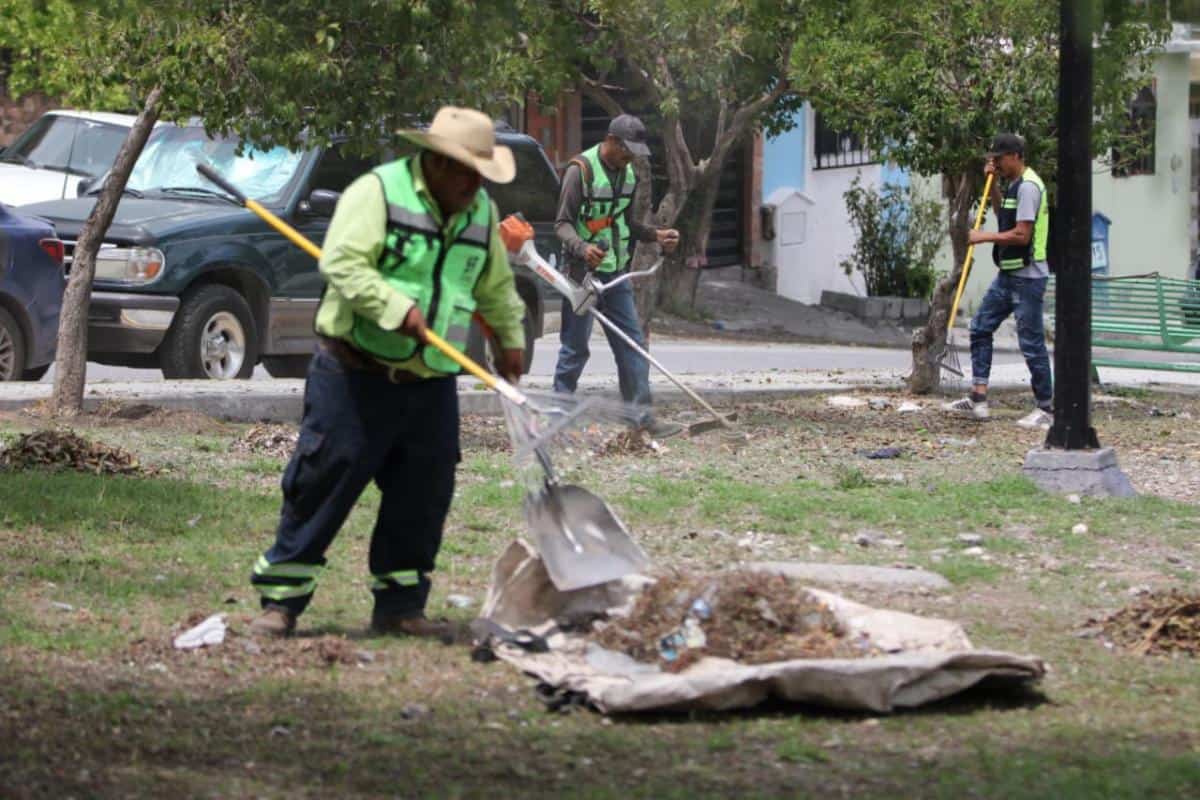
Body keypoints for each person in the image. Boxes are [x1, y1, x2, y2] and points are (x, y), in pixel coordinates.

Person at [248, 106, 527, 638]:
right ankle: (280, 603)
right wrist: (395, 309)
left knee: (423, 495)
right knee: (321, 484)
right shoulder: (376, 194)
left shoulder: (480, 213)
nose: (475, 185)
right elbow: (342, 263)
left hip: (432, 382)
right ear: (437, 164)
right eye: (468, 173)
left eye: (481, 175)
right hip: (356, 372)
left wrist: (508, 339)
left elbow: (492, 286)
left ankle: (400, 607)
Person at [553, 114, 683, 439]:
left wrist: (656, 235)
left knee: (633, 346)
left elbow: (627, 225)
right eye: (627, 150)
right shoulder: (579, 171)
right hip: (581, 275)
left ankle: (641, 419)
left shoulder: (627, 175)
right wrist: (582, 248)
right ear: (611, 140)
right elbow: (562, 224)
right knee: (575, 349)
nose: (631, 157)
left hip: (616, 275)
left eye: (635, 152)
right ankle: (556, 419)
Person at [943, 132, 1053, 430]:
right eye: (993, 159)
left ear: (1015, 156)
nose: (997, 164)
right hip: (1009, 273)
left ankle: (1047, 408)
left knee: (1031, 343)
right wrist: (991, 186)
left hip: (1028, 277)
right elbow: (1001, 212)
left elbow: (1022, 234)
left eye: (1000, 159)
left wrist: (983, 237)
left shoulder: (1029, 187)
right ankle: (979, 398)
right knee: (980, 327)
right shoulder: (1014, 185)